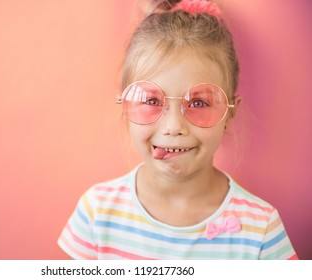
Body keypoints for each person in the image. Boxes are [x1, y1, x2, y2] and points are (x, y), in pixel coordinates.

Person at [57, 0, 298, 259]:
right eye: (151, 101)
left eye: (198, 102)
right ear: (125, 104)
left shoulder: (261, 230)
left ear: (230, 112)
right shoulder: (96, 213)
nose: (173, 127)